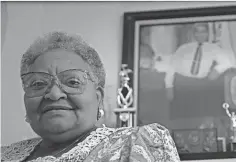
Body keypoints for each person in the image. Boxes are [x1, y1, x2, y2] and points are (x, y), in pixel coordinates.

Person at [1, 31, 180, 162]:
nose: (54, 94)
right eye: (38, 84)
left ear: (99, 97)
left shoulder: (136, 144)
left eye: (72, 82)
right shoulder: (5, 155)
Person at [165, 22, 234, 119]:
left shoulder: (213, 48)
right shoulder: (183, 49)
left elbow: (228, 62)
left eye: (203, 32)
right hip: (182, 85)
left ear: (207, 34)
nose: (200, 34)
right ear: (194, 34)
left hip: (200, 86)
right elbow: (171, 68)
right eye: (197, 32)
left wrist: (216, 70)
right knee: (182, 117)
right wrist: (169, 87)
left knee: (199, 116)